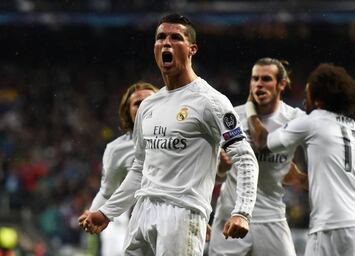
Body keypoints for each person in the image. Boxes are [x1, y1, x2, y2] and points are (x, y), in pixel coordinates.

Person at [79, 13, 259, 256]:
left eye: (176, 38)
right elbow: (139, 168)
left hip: (182, 214)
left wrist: (242, 212)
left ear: (192, 49)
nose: (166, 42)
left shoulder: (211, 102)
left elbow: (245, 158)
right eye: (160, 37)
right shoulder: (149, 105)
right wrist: (107, 211)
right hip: (143, 211)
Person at [209, 58, 355, 256]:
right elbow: (342, 154)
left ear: (282, 84)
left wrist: (250, 109)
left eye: (266, 79)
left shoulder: (304, 120)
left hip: (309, 222)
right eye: (254, 79)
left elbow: (262, 142)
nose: (259, 84)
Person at [264, 63, 355, 256]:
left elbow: (264, 144)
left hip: (333, 227)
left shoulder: (313, 120)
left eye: (308, 90)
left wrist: (251, 112)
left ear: (318, 100)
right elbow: (349, 156)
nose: (304, 96)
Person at [79, 82, 159, 256]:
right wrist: (93, 212)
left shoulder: (178, 138)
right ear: (127, 112)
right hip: (136, 225)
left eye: (150, 100)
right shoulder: (116, 149)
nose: (144, 105)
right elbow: (108, 191)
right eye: (137, 103)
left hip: (174, 218)